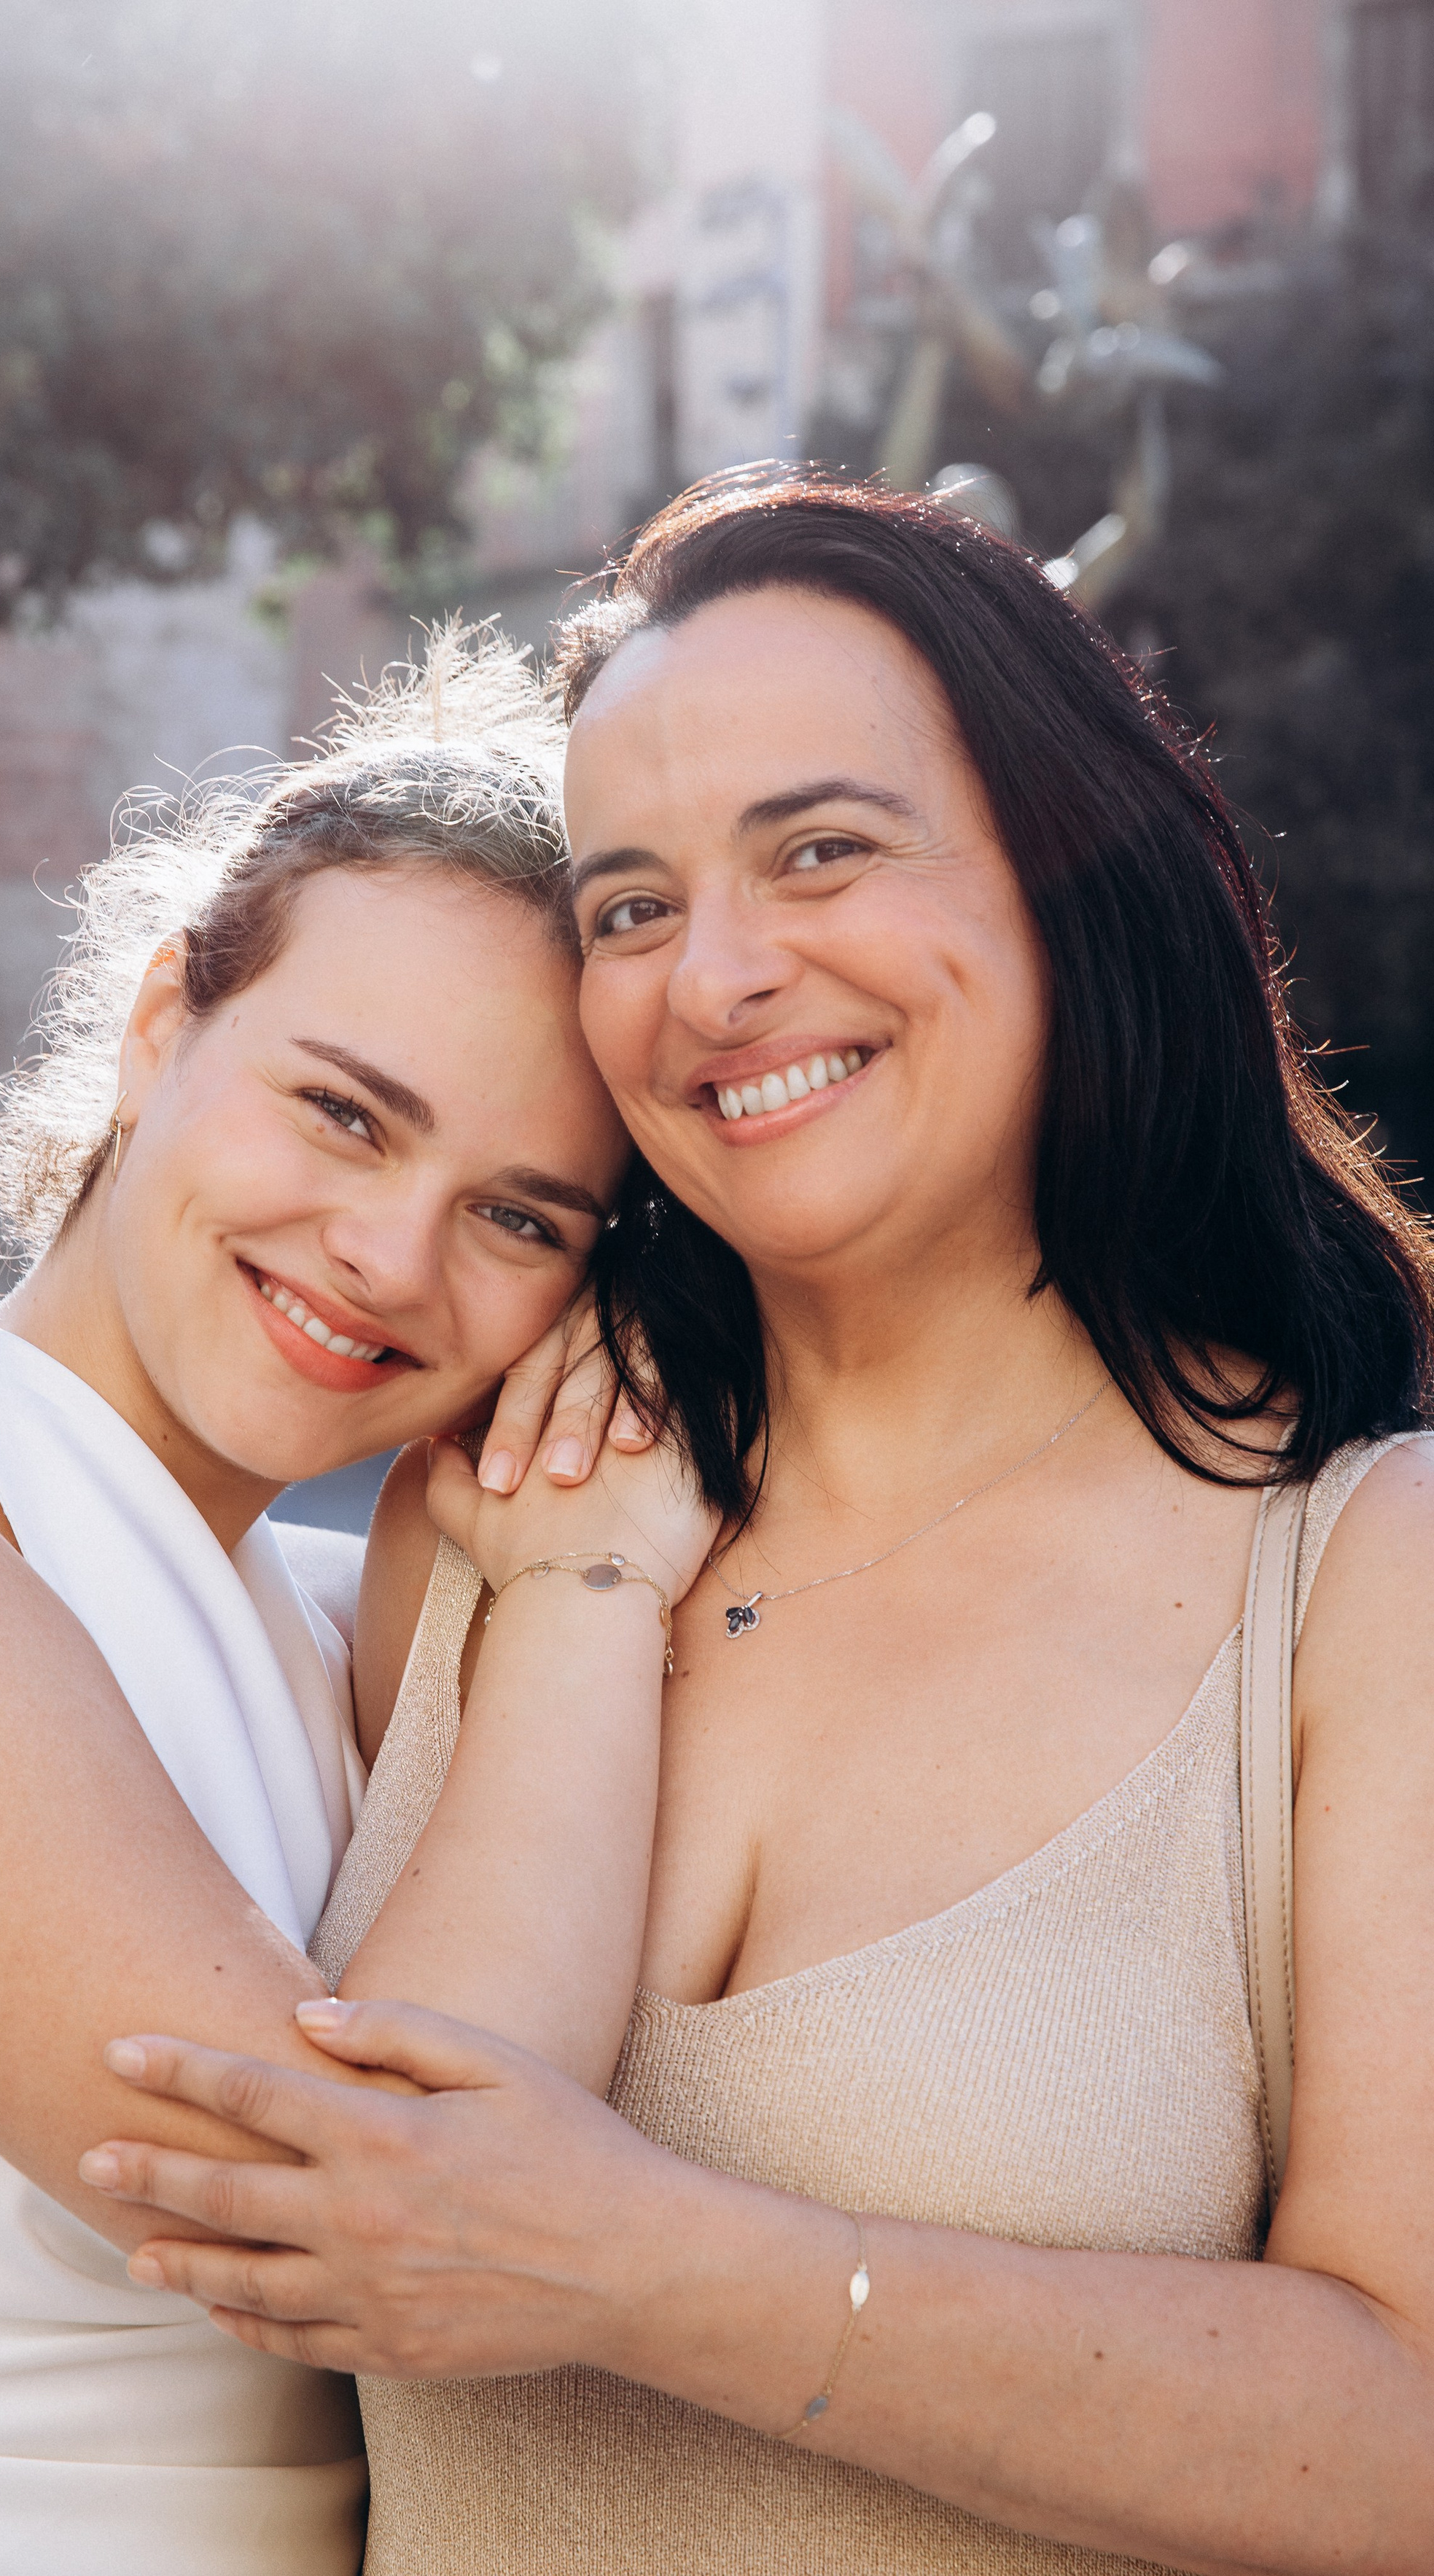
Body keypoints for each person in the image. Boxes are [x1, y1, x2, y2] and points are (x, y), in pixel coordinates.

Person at [83, 473, 1434, 2574]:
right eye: (629, 905)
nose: (714, 975)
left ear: (1080, 882)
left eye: (821, 851)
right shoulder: (483, 1533)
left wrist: (651, 2268)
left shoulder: (1360, 1581)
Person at [0, 634, 717, 2574]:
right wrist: (598, 1587)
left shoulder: (313, 1612)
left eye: (522, 1215)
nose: (386, 1256)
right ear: (164, 1018)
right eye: (347, 1113)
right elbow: (385, 2214)